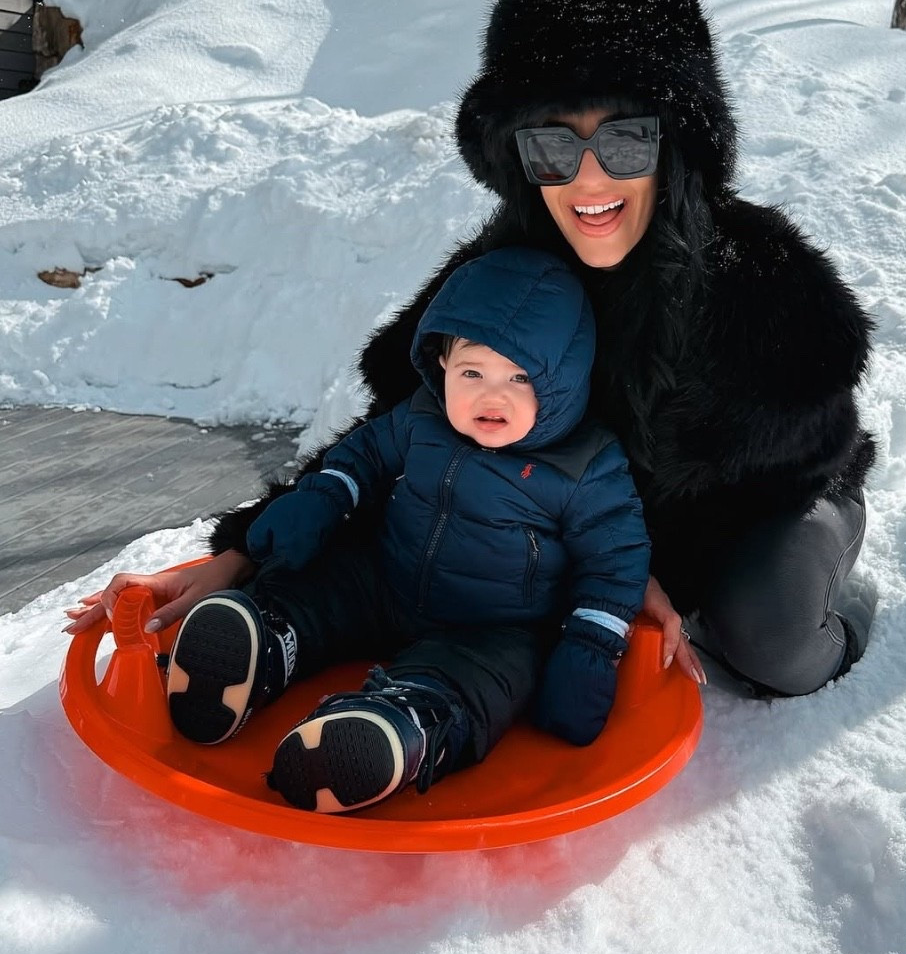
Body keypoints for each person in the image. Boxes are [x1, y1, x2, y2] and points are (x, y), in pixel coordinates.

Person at [67, 0, 873, 699]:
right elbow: (401, 436)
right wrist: (245, 555)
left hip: (777, 499)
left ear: (677, 146)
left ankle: (842, 608)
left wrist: (642, 572)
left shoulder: (761, 281)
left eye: (625, 141)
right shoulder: (501, 275)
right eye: (554, 147)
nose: (588, 179)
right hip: (596, 525)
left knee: (765, 638)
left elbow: (783, 459)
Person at [154, 247, 650, 813]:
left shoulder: (586, 464)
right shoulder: (422, 415)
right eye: (473, 372)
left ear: (561, 379)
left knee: (485, 681)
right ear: (441, 364)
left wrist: (590, 647)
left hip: (495, 626)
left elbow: (615, 561)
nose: (492, 395)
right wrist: (319, 498)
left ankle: (401, 726)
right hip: (387, 578)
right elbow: (362, 456)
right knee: (318, 585)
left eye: (520, 376)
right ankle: (264, 644)